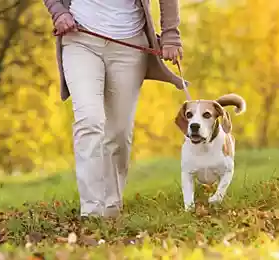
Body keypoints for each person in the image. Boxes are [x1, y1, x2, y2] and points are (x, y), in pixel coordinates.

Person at [43, 0, 186, 219]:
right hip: (80, 38)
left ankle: (111, 207)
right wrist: (58, 12)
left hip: (129, 45)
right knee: (89, 120)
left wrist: (170, 35)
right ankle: (91, 211)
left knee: (119, 132)